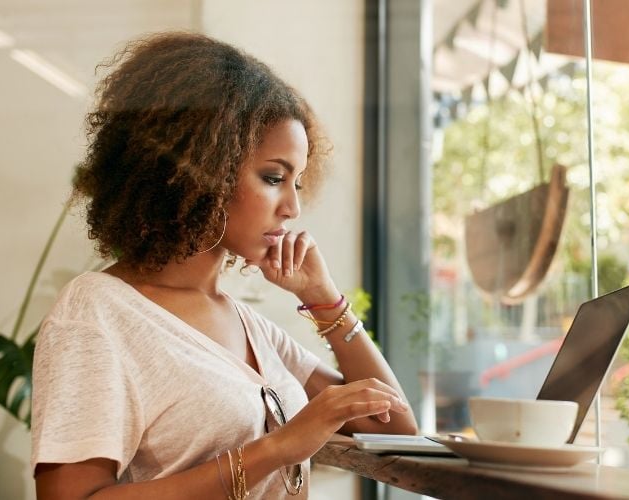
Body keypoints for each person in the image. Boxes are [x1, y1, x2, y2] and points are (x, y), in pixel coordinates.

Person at [30, 31, 417, 499]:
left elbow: (394, 427)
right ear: (201, 170)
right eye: (274, 177)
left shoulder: (249, 326)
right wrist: (277, 448)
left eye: (297, 181)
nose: (293, 207)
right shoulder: (98, 313)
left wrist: (324, 300)